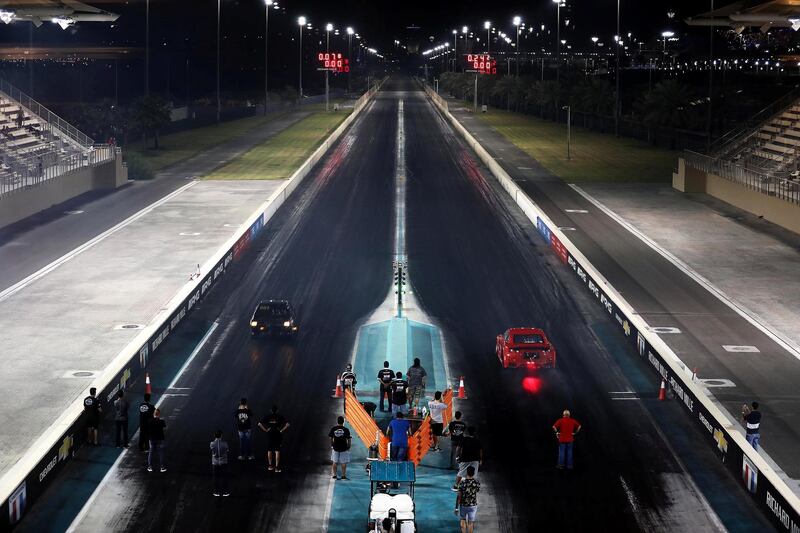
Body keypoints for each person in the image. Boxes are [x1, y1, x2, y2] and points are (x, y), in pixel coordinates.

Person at [258, 405, 290, 472]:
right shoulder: (280, 416)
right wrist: (282, 430)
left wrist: (266, 430)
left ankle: (270, 466)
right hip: (277, 434)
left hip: (270, 434)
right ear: (277, 410)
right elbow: (287, 424)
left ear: (271, 410)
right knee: (277, 450)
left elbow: (259, 424)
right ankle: (277, 468)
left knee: (269, 450)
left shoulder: (268, 416)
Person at [452, 426, 482, 491]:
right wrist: (480, 459)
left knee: (461, 472)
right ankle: (471, 487)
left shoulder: (463, 439)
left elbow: (458, 449)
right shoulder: (477, 440)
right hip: (475, 459)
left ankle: (456, 486)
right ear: (474, 432)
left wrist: (457, 457)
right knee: (473, 474)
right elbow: (480, 450)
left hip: (465, 458)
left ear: (467, 432)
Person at [454, 465, 480, 533]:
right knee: (470, 524)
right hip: (473, 506)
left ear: (466, 473)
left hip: (463, 506)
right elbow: (477, 491)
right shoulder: (477, 483)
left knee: (463, 520)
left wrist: (456, 508)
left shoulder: (462, 483)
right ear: (474, 473)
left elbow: (459, 497)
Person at [328, 416, 352, 480]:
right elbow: (349, 439)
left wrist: (332, 444)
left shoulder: (333, 429)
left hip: (335, 447)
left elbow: (330, 437)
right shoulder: (346, 430)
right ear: (343, 422)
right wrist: (349, 446)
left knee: (335, 462)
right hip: (344, 447)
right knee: (343, 462)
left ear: (337, 421)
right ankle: (343, 476)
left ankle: (335, 475)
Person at [210, 430, 230, 496]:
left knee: (216, 477)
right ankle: (225, 492)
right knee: (224, 477)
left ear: (214, 436)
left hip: (215, 463)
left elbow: (212, 450)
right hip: (223, 462)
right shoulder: (225, 443)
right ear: (221, 435)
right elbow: (227, 450)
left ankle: (216, 492)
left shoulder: (212, 443)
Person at [148, 408, 167, 473]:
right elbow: (165, 427)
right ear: (159, 414)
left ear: (153, 414)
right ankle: (162, 467)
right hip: (160, 439)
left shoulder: (150, 421)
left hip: (152, 439)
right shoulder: (161, 421)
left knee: (151, 452)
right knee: (160, 453)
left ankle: (150, 466)